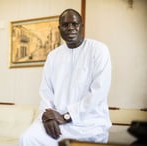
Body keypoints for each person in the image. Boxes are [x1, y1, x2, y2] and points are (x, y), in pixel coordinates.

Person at [19, 8, 112, 146]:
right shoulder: (53, 56)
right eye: (65, 25)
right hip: (57, 123)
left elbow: (98, 93)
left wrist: (67, 116)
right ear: (59, 28)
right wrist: (48, 117)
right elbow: (46, 92)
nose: (70, 28)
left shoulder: (98, 50)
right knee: (27, 138)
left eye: (75, 24)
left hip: (89, 124)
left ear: (82, 26)